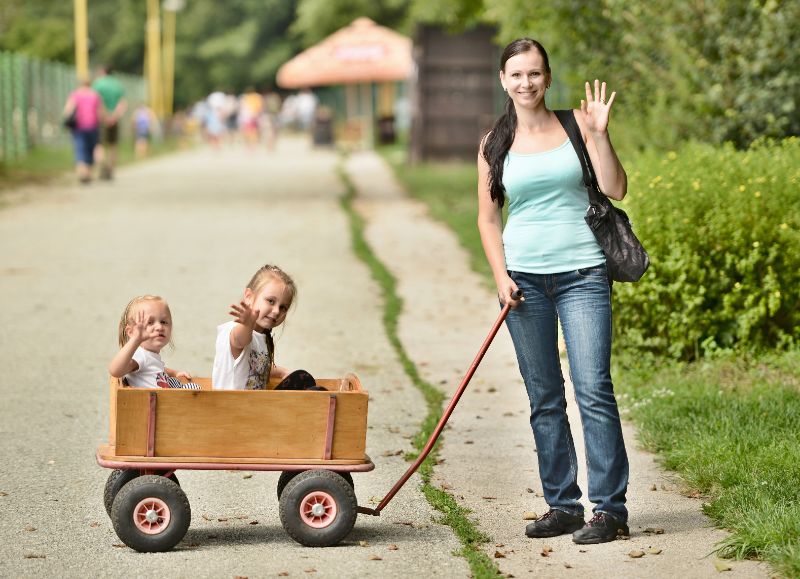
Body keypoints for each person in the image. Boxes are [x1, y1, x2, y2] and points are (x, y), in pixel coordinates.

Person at [477, 38, 630, 545]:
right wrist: (501, 277)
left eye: (535, 74)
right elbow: (488, 218)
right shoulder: (492, 144)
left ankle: (608, 510)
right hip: (524, 283)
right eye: (516, 74)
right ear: (504, 80)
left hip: (583, 272)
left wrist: (602, 135)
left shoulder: (578, 125)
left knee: (593, 390)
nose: (526, 83)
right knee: (544, 397)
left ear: (548, 77)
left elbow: (615, 188)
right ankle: (562, 505)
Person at [212, 264, 323, 391]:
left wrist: (281, 372)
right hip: (232, 407)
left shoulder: (262, 337)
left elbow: (257, 367)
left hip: (258, 406)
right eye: (271, 301)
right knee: (306, 384)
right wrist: (247, 325)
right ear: (249, 297)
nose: (276, 311)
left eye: (283, 307)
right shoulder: (235, 330)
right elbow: (239, 340)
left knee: (301, 377)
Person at [109, 295, 199, 389]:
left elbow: (154, 369)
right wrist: (135, 340)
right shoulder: (140, 355)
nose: (159, 327)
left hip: (162, 401)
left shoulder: (149, 356)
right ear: (131, 332)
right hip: (149, 402)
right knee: (194, 388)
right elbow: (115, 371)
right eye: (150, 322)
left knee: (174, 382)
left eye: (163, 322)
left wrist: (175, 373)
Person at [62, 77, 103, 184]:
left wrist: (67, 120)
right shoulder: (95, 95)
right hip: (93, 126)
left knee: (80, 148)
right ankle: (88, 173)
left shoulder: (75, 94)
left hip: (79, 127)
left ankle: (82, 173)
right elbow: (99, 112)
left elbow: (67, 109)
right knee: (90, 149)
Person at [92, 65, 127, 180]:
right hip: (115, 120)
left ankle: (102, 168)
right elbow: (122, 103)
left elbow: (96, 102)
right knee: (113, 145)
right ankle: (111, 170)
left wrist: (105, 116)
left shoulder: (97, 84)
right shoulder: (117, 85)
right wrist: (114, 116)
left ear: (102, 72)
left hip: (101, 119)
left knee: (99, 145)